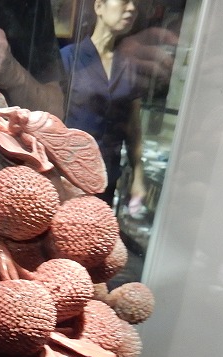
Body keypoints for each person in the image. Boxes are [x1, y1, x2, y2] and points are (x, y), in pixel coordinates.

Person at [61, 0, 146, 208]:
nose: (132, 8)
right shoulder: (69, 58)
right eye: (124, 1)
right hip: (68, 175)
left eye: (135, 3)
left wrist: (138, 175)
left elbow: (133, 128)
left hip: (107, 177)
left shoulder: (129, 66)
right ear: (99, 6)